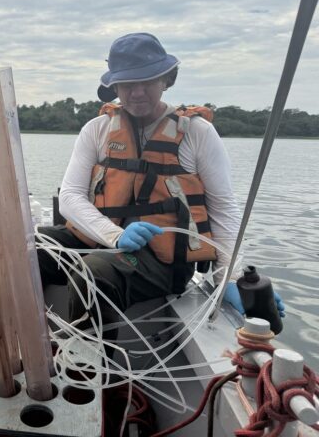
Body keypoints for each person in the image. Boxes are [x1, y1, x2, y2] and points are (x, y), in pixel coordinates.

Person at [37, 32, 284, 345]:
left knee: (94, 272)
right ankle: (34, 346)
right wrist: (113, 235)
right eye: (127, 84)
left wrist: (229, 278)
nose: (138, 92)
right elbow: (71, 197)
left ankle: (85, 380)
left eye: (148, 81)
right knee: (27, 249)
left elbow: (223, 208)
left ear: (166, 80)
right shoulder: (96, 130)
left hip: (162, 260)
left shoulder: (197, 133)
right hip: (104, 238)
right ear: (114, 87)